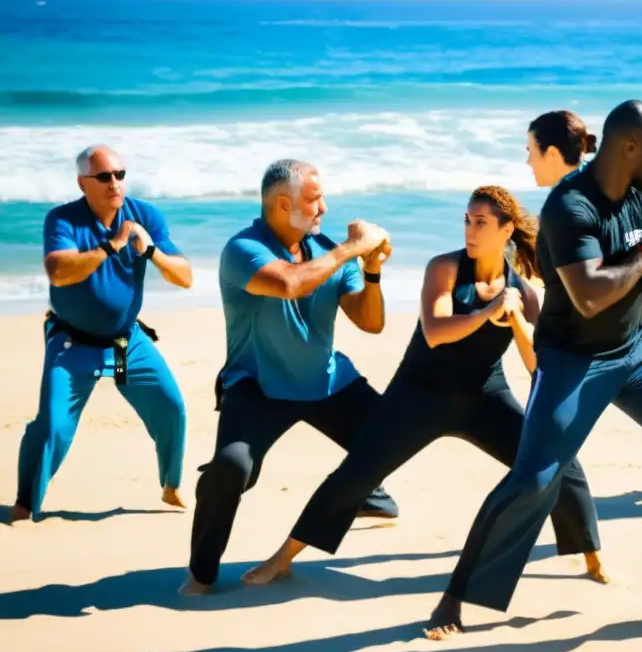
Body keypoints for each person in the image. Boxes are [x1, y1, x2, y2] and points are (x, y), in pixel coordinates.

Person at [425, 100, 642, 639]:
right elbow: (591, 295)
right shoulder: (570, 207)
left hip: (636, 352)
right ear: (629, 148)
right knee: (534, 478)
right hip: (572, 360)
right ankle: (454, 597)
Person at [241, 185, 607, 587]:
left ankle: (592, 558)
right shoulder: (444, 268)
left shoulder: (521, 292)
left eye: (481, 223)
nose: (469, 230)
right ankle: (284, 557)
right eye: (467, 220)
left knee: (559, 460)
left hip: (485, 395)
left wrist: (517, 320)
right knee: (357, 472)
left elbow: (538, 364)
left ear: (506, 231)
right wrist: (487, 312)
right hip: (418, 395)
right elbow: (435, 331)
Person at [179, 159, 399, 594]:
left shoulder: (329, 250)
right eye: (315, 198)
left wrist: (371, 267)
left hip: (326, 380)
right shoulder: (244, 250)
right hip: (258, 386)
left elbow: (370, 322)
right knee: (231, 467)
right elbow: (287, 284)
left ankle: (369, 495)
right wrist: (351, 250)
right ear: (283, 204)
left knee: (394, 435)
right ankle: (201, 574)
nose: (324, 208)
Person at [11, 145, 192, 523]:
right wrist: (113, 245)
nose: (115, 183)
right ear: (83, 183)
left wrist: (152, 251)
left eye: (120, 175)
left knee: (170, 407)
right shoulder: (63, 219)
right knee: (53, 425)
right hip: (72, 343)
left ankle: (171, 484)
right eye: (104, 177)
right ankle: (26, 502)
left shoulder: (145, 215)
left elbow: (185, 277)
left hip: (126, 344)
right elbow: (59, 272)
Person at [525, 109, 597, 187]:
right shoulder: (598, 181)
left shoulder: (566, 196)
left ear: (552, 154)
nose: (528, 162)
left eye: (531, 152)